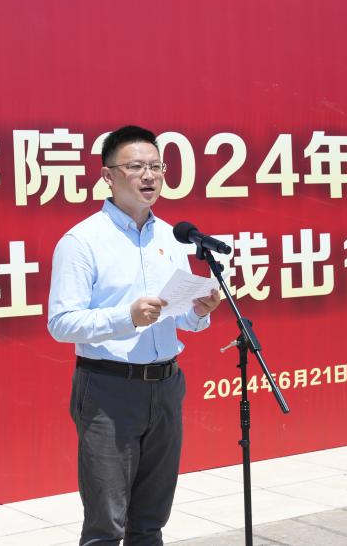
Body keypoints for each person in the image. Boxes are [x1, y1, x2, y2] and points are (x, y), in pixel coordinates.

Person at [48, 125, 221, 546]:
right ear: (108, 176)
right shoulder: (82, 241)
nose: (149, 176)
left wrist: (198, 312)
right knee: (107, 525)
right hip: (109, 389)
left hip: (166, 386)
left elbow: (176, 316)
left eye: (156, 167)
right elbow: (61, 322)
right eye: (137, 167)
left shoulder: (171, 237)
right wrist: (125, 317)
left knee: (150, 520)